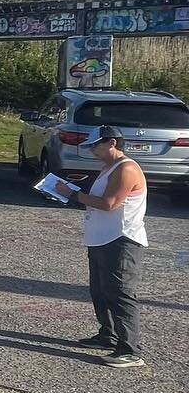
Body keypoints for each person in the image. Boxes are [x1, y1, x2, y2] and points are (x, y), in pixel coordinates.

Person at [71, 126, 148, 368]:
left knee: (120, 292)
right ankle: (109, 335)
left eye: (95, 145)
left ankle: (130, 350)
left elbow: (110, 203)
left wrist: (73, 194)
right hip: (100, 238)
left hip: (121, 240)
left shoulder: (126, 168)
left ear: (111, 143)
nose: (91, 150)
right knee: (101, 290)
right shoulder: (109, 168)